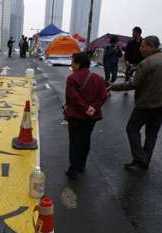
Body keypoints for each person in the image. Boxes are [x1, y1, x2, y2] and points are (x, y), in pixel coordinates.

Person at [109, 36, 162, 170]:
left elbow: (134, 84)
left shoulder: (146, 63)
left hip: (145, 104)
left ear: (151, 47)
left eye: (143, 46)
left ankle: (140, 158)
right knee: (152, 134)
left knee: (132, 129)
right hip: (160, 106)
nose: (141, 48)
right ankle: (145, 160)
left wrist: (113, 86)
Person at [64, 52, 108, 179]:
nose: (71, 65)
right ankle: (82, 165)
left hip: (76, 116)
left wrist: (85, 107)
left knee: (74, 142)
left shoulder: (72, 78)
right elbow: (103, 96)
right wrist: (93, 107)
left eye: (73, 62)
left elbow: (73, 98)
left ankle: (73, 170)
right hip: (91, 117)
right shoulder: (98, 78)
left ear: (78, 64)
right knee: (85, 140)